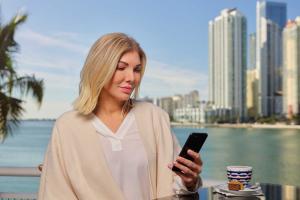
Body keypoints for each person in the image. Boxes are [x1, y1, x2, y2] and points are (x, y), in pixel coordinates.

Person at [38, 32, 203, 200]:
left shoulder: (155, 117)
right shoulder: (67, 126)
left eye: (137, 70)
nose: (131, 78)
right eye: (121, 67)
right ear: (99, 69)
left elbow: (176, 185)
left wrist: (189, 182)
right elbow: (56, 192)